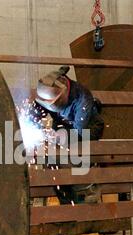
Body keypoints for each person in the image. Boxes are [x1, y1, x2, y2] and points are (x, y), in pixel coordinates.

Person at [35, 66, 105, 204]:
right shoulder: (51, 90)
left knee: (73, 154)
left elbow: (78, 133)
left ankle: (89, 187)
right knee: (50, 160)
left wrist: (57, 136)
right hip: (64, 128)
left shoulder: (83, 98)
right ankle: (67, 203)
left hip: (87, 130)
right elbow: (38, 108)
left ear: (64, 94)